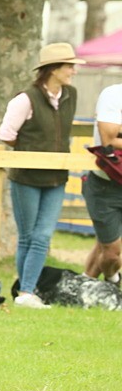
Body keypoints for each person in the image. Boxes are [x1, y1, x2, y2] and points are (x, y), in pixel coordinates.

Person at [0, 42, 83, 309]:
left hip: (56, 178)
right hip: (27, 178)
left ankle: (25, 292)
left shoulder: (71, 95)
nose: (73, 71)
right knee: (28, 236)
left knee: (43, 236)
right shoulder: (25, 99)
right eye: (69, 66)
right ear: (53, 69)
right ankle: (26, 292)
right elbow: (6, 136)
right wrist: (32, 153)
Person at [82, 82, 122, 289]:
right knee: (111, 252)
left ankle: (84, 285)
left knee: (105, 245)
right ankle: (113, 281)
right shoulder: (114, 94)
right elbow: (108, 139)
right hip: (106, 184)